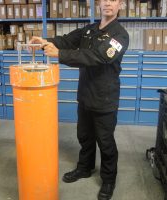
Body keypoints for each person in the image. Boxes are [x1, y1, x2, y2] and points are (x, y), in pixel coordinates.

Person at [29, 0, 129, 199]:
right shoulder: (89, 30)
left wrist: (60, 54)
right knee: (84, 136)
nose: (108, 3)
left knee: (105, 141)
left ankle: (108, 180)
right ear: (100, 4)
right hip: (85, 95)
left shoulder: (120, 35)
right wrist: (45, 41)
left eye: (114, 0)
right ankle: (84, 168)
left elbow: (98, 57)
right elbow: (67, 40)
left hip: (104, 98)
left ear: (120, 6)